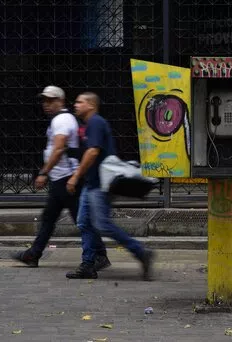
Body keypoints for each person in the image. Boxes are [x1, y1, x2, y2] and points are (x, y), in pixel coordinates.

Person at [12, 86, 110, 270]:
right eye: (44, 100)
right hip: (62, 179)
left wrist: (43, 173)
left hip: (67, 179)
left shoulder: (63, 120)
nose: (46, 105)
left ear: (61, 101)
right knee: (51, 218)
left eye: (51, 100)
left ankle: (100, 255)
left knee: (80, 220)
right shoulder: (60, 119)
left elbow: (58, 149)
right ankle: (33, 254)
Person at [65, 92, 154, 280]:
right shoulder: (90, 124)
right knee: (84, 222)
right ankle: (88, 264)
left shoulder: (96, 122)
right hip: (91, 184)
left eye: (80, 102)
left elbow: (93, 151)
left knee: (102, 225)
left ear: (90, 105)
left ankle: (141, 252)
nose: (76, 105)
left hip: (99, 185)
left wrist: (75, 176)